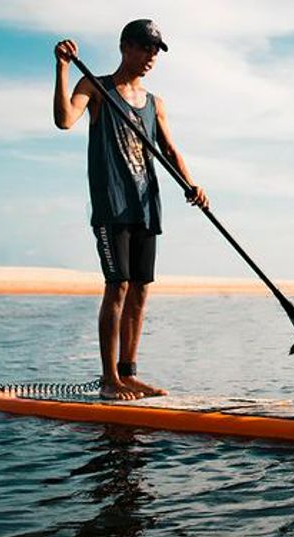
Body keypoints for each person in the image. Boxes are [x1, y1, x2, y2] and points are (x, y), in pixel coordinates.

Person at [53, 20, 209, 400]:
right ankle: (109, 379)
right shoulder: (96, 87)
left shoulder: (156, 103)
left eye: (156, 51)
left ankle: (128, 372)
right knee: (118, 285)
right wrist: (62, 68)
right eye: (145, 48)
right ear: (125, 47)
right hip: (112, 205)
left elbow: (170, 149)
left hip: (146, 205)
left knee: (140, 289)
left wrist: (192, 184)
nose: (151, 57)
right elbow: (64, 120)